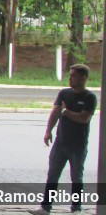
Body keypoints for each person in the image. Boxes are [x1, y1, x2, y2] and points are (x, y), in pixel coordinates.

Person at [28, 64, 97, 215]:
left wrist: (66, 112)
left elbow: (84, 118)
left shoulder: (90, 97)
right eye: (69, 75)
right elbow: (55, 112)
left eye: (73, 76)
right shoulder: (64, 93)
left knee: (76, 177)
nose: (70, 78)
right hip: (61, 142)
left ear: (83, 78)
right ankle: (45, 207)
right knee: (53, 174)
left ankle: (76, 208)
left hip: (78, 144)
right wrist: (48, 131)